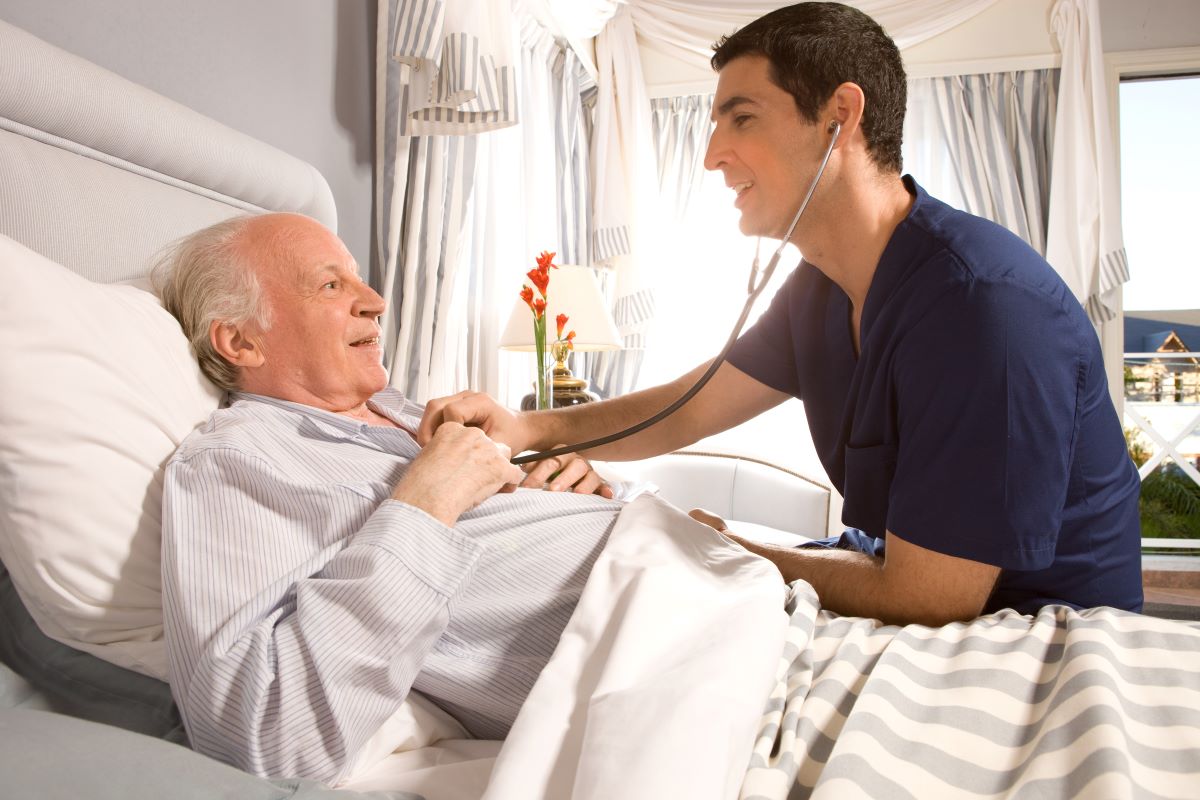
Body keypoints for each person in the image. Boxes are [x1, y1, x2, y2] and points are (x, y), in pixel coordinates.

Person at [420, 2, 1144, 626]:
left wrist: (730, 548)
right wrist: (529, 428)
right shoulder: (821, 289)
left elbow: (932, 595)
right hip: (914, 593)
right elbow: (688, 406)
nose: (711, 156)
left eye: (741, 118)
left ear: (841, 117)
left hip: (1035, 629)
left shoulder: (984, 307)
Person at [153, 211, 629, 784]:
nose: (376, 300)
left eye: (358, 279)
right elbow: (261, 737)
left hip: (689, 570)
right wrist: (426, 501)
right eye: (332, 284)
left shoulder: (411, 414)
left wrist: (571, 487)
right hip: (653, 643)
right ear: (241, 340)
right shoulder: (236, 460)